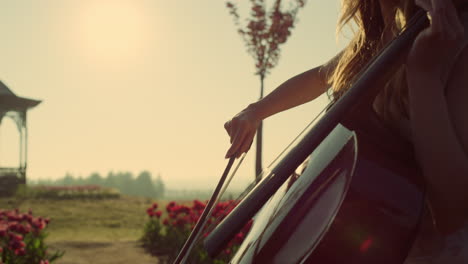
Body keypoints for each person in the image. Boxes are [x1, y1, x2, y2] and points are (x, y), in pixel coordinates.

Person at [223, 0, 468, 263]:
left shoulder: (452, 43)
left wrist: (423, 77)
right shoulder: (382, 37)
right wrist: (255, 111)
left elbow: (452, 212)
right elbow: (320, 77)